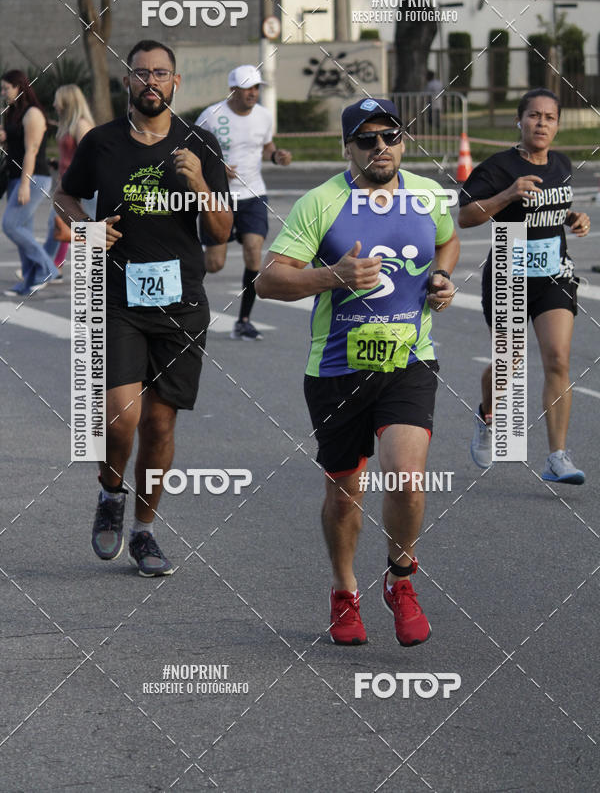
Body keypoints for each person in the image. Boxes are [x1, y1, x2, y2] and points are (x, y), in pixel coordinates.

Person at [256, 97, 459, 646]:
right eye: (366, 139)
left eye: (390, 136)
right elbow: (268, 280)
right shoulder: (321, 203)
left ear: (403, 141)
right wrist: (334, 276)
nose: (380, 147)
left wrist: (441, 278)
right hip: (336, 371)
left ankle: (400, 577)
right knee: (345, 492)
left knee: (406, 478)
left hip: (409, 360)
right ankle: (345, 591)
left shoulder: (427, 194)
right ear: (348, 147)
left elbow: (447, 238)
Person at [54, 39, 231, 576]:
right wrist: (86, 227)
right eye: (141, 72)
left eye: (160, 73)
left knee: (158, 425)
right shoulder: (102, 142)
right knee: (120, 418)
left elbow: (221, 230)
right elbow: (65, 194)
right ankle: (111, 491)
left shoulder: (200, 144)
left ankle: (145, 531)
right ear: (127, 81)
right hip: (117, 296)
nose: (150, 81)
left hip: (181, 302)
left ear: (176, 82)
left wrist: (198, 182)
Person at [458, 88, 590, 483]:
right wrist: (508, 193)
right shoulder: (498, 167)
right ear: (519, 120)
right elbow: (466, 216)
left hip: (554, 274)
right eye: (534, 115)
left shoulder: (561, 163)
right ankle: (487, 414)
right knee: (509, 364)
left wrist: (572, 218)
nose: (541, 123)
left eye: (550, 118)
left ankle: (557, 457)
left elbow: (551, 206)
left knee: (558, 359)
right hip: (508, 270)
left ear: (557, 125)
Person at [195, 65, 292, 340]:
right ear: (233, 90)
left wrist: (277, 156)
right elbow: (191, 150)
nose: (253, 93)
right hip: (219, 197)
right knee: (214, 264)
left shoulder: (264, 116)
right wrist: (216, 167)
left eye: (256, 88)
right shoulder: (212, 115)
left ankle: (243, 320)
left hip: (253, 195)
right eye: (247, 88)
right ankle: (184, 278)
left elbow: (267, 146)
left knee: (254, 250)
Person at [0, 69, 59, 295]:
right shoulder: (14, 112)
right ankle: (27, 283)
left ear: (19, 87)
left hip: (34, 178)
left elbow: (32, 151)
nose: (3, 92)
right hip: (15, 177)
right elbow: (16, 143)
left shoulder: (33, 113)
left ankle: (48, 268)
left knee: (11, 225)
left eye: (6, 88)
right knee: (22, 229)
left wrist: (25, 185)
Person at [44, 84, 95, 278]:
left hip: (76, 189)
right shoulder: (67, 124)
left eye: (57, 100)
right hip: (64, 186)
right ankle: (50, 267)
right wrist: (58, 164)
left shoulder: (81, 125)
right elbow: (71, 157)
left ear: (68, 101)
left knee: (59, 226)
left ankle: (45, 267)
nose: (54, 104)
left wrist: (79, 184)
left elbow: (90, 157)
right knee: (60, 227)